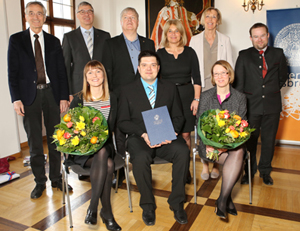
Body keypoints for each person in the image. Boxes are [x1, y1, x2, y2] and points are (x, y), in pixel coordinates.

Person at [7, 1, 71, 199]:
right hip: (29, 97)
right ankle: (39, 182)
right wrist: (16, 98)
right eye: (31, 13)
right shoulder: (16, 40)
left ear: (44, 16)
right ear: (26, 16)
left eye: (40, 13)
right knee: (35, 142)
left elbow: (62, 71)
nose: (36, 17)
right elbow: (12, 72)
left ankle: (56, 178)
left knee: (55, 140)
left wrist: (63, 96)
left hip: (52, 94)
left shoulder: (53, 41)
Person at [118, 50, 190, 226]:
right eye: (144, 65)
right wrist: (143, 133)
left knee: (182, 150)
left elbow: (179, 117)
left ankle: (177, 202)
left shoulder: (170, 87)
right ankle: (148, 205)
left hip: (165, 137)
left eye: (153, 65)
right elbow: (123, 122)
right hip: (139, 138)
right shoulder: (127, 90)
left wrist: (170, 132)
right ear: (138, 67)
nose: (148, 69)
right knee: (141, 157)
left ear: (158, 68)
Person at [102, 7, 155, 188]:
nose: (129, 20)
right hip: (119, 96)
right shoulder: (110, 44)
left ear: (138, 22)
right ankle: (120, 171)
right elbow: (106, 73)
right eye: (126, 17)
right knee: (119, 133)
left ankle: (143, 162)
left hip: (144, 95)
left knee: (143, 129)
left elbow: (154, 71)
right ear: (121, 21)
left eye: (133, 17)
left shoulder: (149, 43)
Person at [234, 23, 288, 186]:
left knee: (269, 140)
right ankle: (249, 172)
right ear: (251, 38)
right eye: (255, 36)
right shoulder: (243, 55)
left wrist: (269, 92)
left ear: (268, 36)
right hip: (250, 107)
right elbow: (239, 84)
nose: (259, 39)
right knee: (249, 142)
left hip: (272, 106)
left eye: (262, 35)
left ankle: (265, 171)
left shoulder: (278, 54)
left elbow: (282, 77)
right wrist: (241, 108)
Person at [70, 60, 121, 230]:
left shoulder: (112, 97)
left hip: (105, 147)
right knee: (108, 164)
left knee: (104, 153)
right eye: (90, 73)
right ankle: (106, 212)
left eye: (98, 71)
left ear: (103, 75)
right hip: (84, 149)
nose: (94, 76)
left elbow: (117, 126)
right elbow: (72, 129)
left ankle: (93, 207)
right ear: (85, 77)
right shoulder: (78, 99)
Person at [197, 60, 247, 219]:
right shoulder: (205, 96)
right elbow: (199, 124)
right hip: (208, 148)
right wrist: (209, 144)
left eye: (223, 72)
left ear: (229, 75)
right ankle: (227, 200)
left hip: (231, 147)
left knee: (238, 152)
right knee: (238, 159)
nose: (220, 76)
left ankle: (222, 200)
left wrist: (225, 146)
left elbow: (241, 128)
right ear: (212, 77)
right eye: (216, 73)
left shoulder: (240, 97)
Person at [190, 7, 233, 181]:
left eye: (214, 17)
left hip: (219, 89)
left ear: (218, 20)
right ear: (203, 20)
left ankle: (215, 163)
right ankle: (205, 165)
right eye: (207, 16)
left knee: (217, 126)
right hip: (201, 88)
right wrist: (195, 95)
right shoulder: (194, 40)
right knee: (202, 127)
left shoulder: (225, 39)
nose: (210, 19)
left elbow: (230, 67)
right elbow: (192, 68)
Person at [62, 1, 110, 101]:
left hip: (101, 88)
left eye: (89, 11)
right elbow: (66, 68)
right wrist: (68, 93)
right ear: (77, 15)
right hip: (78, 89)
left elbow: (108, 64)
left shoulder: (105, 36)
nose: (86, 14)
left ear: (93, 14)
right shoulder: (69, 37)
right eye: (82, 12)